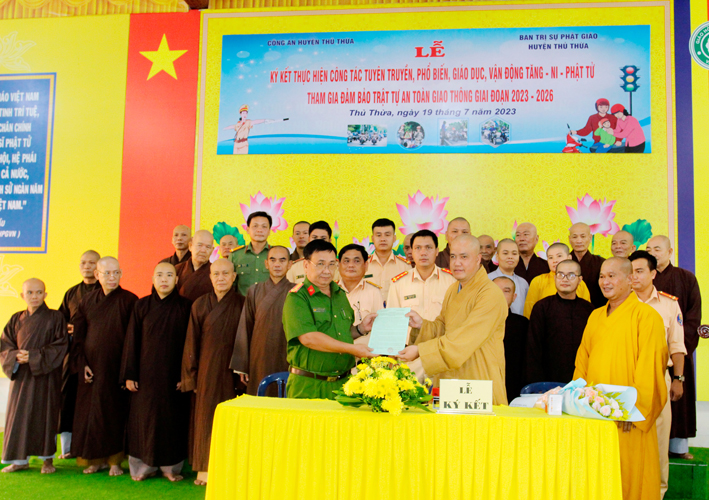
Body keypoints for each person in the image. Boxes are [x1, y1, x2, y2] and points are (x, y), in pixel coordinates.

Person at [574, 258, 667, 500]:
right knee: (596, 477)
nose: (605, 282)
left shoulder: (647, 317)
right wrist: (578, 400)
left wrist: (630, 410)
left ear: (630, 279)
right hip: (594, 413)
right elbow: (582, 362)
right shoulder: (595, 316)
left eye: (612, 276)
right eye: (602, 276)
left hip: (627, 419)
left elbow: (651, 368)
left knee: (628, 478)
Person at [399, 235, 509, 405]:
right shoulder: (453, 289)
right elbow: (444, 326)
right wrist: (422, 324)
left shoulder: (490, 294)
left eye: (464, 257)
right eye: (453, 256)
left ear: (478, 259)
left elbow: (465, 338)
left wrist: (421, 350)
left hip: (478, 376)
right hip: (449, 376)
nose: (457, 263)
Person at [120, 263, 192, 482]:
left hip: (173, 376)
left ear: (176, 280)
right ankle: (143, 467)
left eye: (169, 275)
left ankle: (171, 468)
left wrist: (185, 375)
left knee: (172, 420)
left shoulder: (186, 306)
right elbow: (131, 340)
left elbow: (190, 344)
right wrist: (130, 374)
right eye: (160, 275)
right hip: (145, 375)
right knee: (144, 420)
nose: (164, 279)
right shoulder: (141, 305)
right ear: (152, 279)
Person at [282, 239, 376, 399]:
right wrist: (352, 349)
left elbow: (341, 333)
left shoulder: (340, 294)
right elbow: (309, 338)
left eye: (332, 264)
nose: (327, 270)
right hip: (309, 385)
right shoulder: (298, 297)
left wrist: (361, 329)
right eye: (320, 264)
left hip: (344, 384)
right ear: (306, 265)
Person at [70, 256, 138, 476]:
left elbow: (134, 338)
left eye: (116, 273)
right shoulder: (87, 301)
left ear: (121, 274)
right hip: (91, 367)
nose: (111, 277)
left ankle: (115, 461)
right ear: (97, 275)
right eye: (106, 273)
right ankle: (94, 459)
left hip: (116, 367)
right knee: (90, 414)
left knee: (113, 413)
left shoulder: (129, 300)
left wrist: (127, 369)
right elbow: (79, 335)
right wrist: (82, 363)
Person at [181, 259, 246, 486]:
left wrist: (244, 370)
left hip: (233, 373)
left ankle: (229, 467)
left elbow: (248, 339)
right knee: (206, 419)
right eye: (216, 274)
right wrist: (192, 376)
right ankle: (204, 468)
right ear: (210, 277)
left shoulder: (243, 304)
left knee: (232, 420)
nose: (221, 278)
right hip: (207, 372)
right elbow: (191, 343)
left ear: (234, 277)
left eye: (226, 273)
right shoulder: (200, 304)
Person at [629, 250, 687, 498]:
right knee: (627, 438)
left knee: (660, 438)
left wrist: (678, 379)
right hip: (625, 379)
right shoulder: (620, 303)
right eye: (630, 272)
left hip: (657, 378)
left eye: (639, 271)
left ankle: (658, 492)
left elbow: (677, 346)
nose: (634, 276)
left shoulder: (669, 304)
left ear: (653, 273)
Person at [1, 279, 67, 474]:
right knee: (19, 416)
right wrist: (15, 356)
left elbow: (61, 345)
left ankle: (47, 460)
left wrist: (34, 356)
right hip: (22, 376)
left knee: (45, 415)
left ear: (45, 294)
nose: (34, 296)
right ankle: (19, 460)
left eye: (39, 292)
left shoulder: (55, 317)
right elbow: (5, 344)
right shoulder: (16, 318)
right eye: (30, 293)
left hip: (46, 376)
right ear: (23, 295)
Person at [646, 235, 702, 460]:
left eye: (657, 249)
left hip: (676, 351)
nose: (652, 253)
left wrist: (675, 346)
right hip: (646, 353)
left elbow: (693, 317)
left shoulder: (686, 278)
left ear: (670, 252)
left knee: (678, 399)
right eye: (648, 249)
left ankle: (678, 447)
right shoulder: (641, 278)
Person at [387, 230, 456, 381]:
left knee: (438, 394)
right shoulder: (398, 283)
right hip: (408, 355)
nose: (423, 252)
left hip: (440, 352)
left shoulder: (452, 281)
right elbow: (392, 324)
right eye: (418, 248)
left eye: (428, 247)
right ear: (411, 252)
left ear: (437, 251)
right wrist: (392, 358)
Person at [230, 246, 293, 396]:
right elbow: (246, 326)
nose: (277, 264)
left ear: (290, 264)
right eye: (273, 260)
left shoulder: (297, 291)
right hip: (260, 356)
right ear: (266, 264)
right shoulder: (254, 290)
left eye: (282, 260)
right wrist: (242, 365)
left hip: (287, 354)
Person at [57, 250, 101, 459]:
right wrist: (68, 328)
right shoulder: (71, 293)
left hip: (96, 351)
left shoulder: (105, 291)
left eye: (91, 263)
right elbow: (60, 320)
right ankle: (67, 447)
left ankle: (92, 444)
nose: (87, 266)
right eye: (83, 262)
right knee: (68, 396)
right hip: (73, 352)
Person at [525, 259, 594, 385]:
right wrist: (536, 382)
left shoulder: (588, 309)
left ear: (580, 280)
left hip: (581, 378)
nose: (565, 279)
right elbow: (533, 348)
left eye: (571, 275)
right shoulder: (542, 307)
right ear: (555, 278)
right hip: (548, 379)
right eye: (560, 274)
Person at [523, 243, 591, 318]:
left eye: (559, 256)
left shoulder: (579, 283)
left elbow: (586, 310)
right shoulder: (538, 281)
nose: (555, 260)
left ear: (569, 257)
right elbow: (529, 309)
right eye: (550, 257)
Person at [492, 276, 528, 401]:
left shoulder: (523, 324)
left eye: (506, 291)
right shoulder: (476, 321)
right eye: (496, 290)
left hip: (513, 384)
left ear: (514, 297)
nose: (500, 294)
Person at [337, 244, 383, 327]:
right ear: (339, 265)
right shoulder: (329, 289)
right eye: (346, 261)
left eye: (357, 261)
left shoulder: (374, 292)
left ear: (366, 266)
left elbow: (380, 326)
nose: (351, 265)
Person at [229, 211, 272, 295]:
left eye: (264, 226)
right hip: (242, 302)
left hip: (269, 303)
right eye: (255, 226)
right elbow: (230, 285)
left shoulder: (277, 254)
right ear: (248, 230)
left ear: (269, 231)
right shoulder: (235, 255)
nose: (259, 230)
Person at [367, 218, 410, 300]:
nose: (383, 239)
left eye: (387, 235)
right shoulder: (362, 265)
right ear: (372, 238)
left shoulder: (405, 266)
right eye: (378, 235)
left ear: (394, 238)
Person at [487, 239, 528, 315]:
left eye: (514, 254)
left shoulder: (523, 283)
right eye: (505, 253)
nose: (510, 257)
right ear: (497, 256)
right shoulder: (487, 280)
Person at [569, 222, 606, 308]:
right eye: (575, 237)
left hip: (595, 310)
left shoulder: (602, 263)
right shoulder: (563, 263)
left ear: (590, 238)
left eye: (583, 236)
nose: (579, 241)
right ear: (569, 239)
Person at [175, 230, 214, 301]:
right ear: (190, 246)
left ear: (212, 250)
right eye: (199, 245)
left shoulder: (216, 272)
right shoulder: (177, 270)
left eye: (208, 247)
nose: (203, 250)